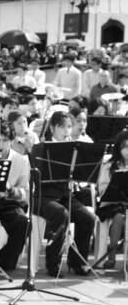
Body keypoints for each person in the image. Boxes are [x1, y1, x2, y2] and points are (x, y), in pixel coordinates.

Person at [35, 110, 97, 276]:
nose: (68, 131)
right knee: (61, 214)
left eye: (70, 127)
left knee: (88, 218)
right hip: (44, 197)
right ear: (54, 128)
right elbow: (37, 177)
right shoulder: (42, 147)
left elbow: (83, 174)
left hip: (65, 196)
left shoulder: (74, 149)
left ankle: (77, 262)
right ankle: (52, 263)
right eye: (64, 127)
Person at [0, 127, 31, 273]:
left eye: (5, 140)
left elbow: (25, 192)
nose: (0, 145)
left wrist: (11, 190)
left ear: (11, 141)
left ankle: (4, 261)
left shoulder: (20, 161)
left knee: (23, 223)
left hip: (9, 202)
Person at [96, 130, 128, 269]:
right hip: (111, 205)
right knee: (119, 217)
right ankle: (111, 256)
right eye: (124, 146)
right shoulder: (108, 165)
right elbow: (102, 190)